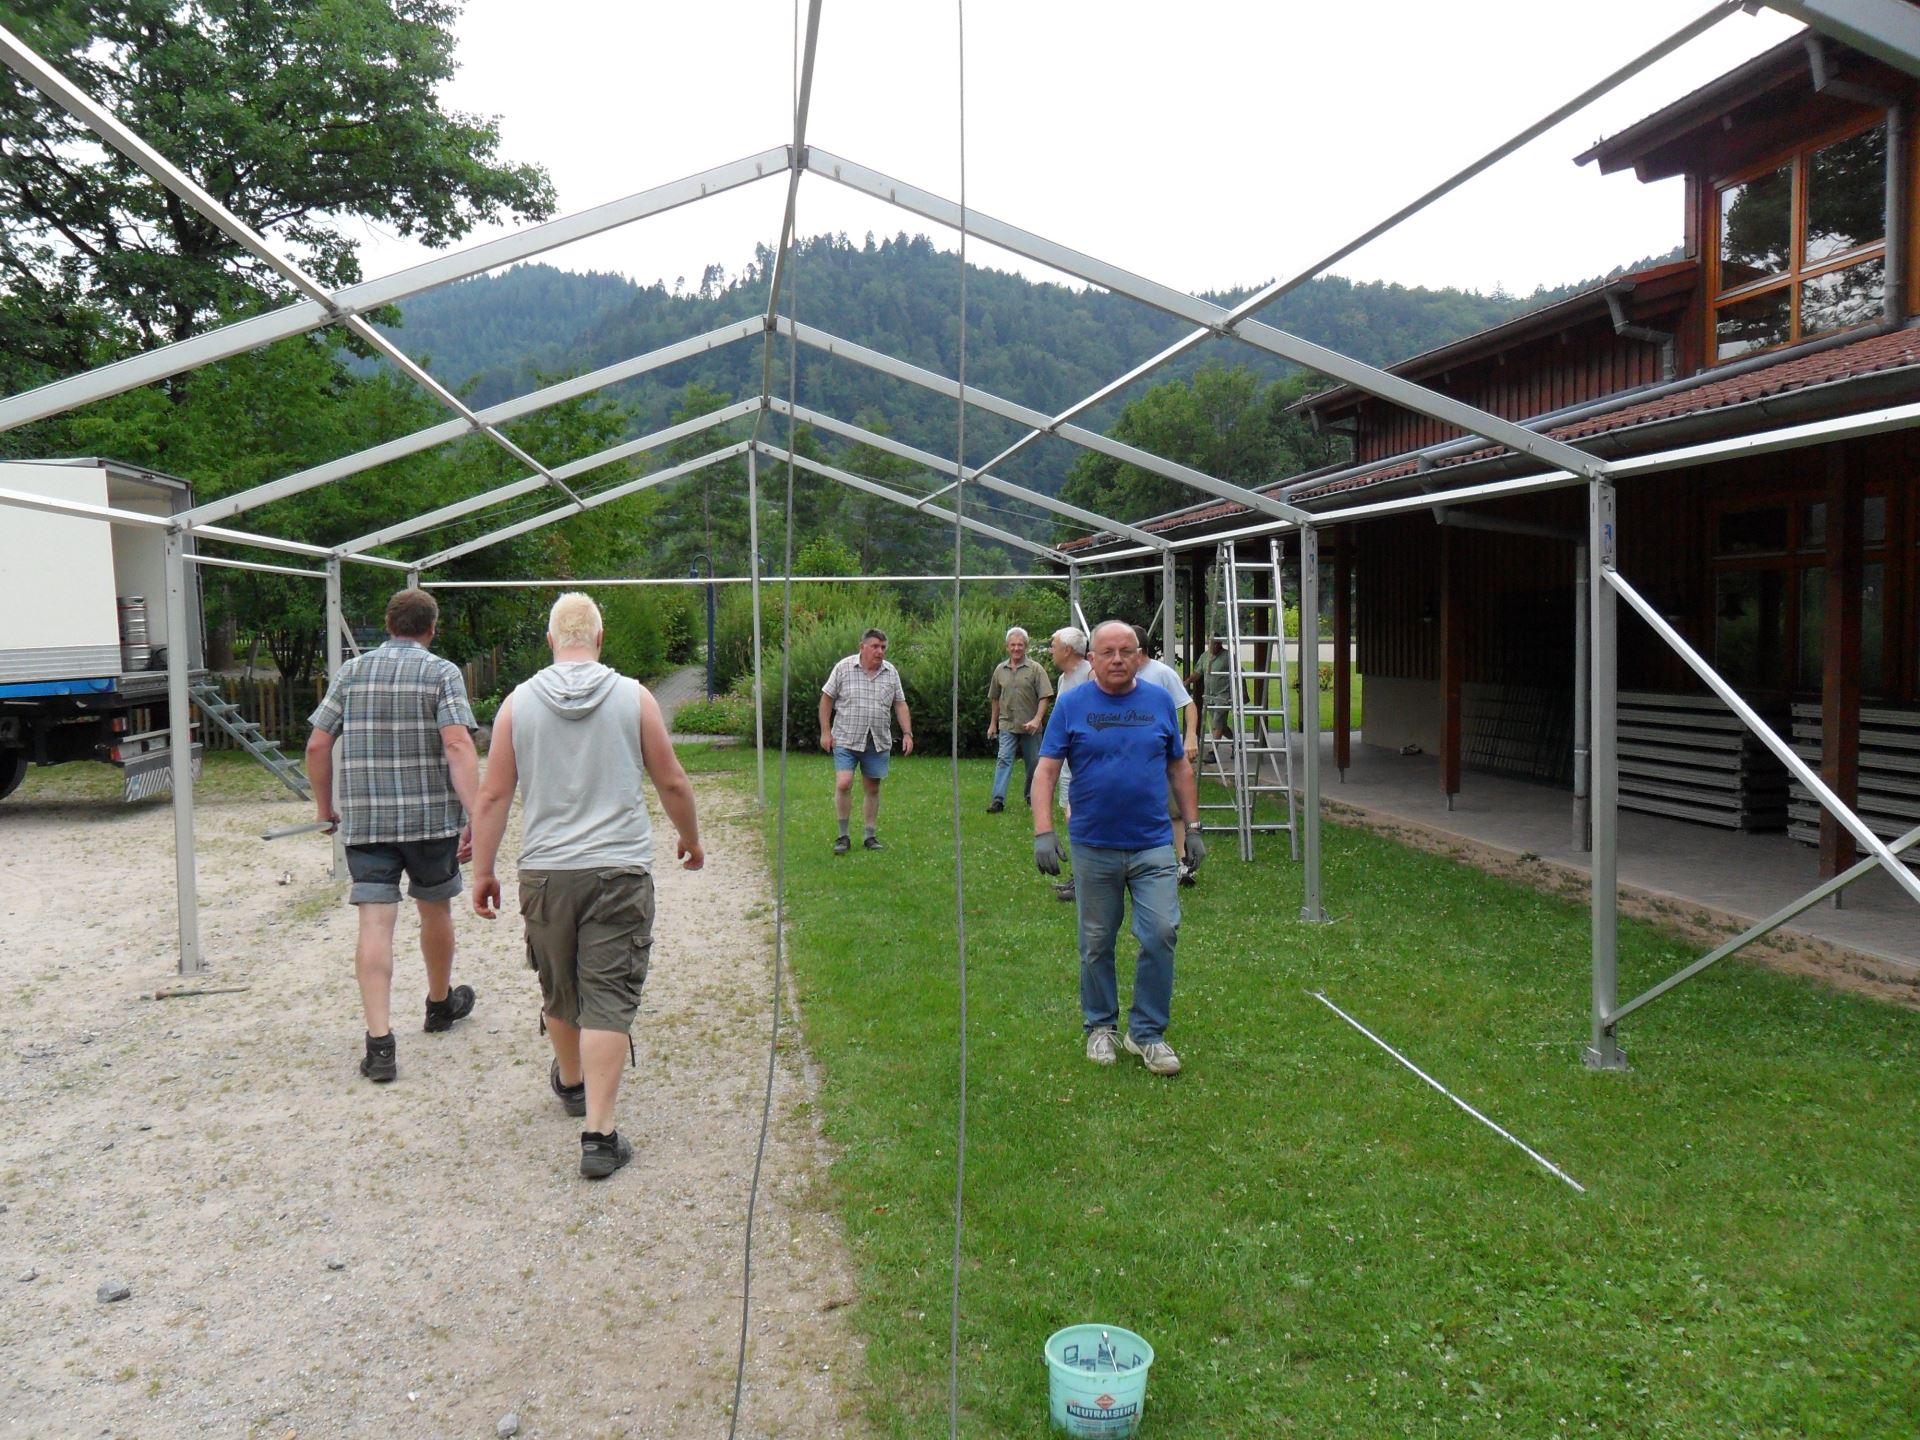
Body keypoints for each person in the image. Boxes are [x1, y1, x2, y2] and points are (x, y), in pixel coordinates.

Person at [468, 593, 704, 1180]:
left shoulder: (517, 704)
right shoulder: (634, 697)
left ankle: (572, 1082)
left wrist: (483, 869)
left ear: (551, 641)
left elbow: (493, 794)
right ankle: (599, 1136)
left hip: (546, 872)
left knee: (559, 985)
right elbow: (672, 780)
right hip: (619, 869)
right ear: (599, 639)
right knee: (608, 994)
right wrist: (689, 837)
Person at [306, 587, 481, 1085]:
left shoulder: (351, 672)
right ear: (432, 628)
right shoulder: (441, 673)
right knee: (435, 910)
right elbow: (457, 743)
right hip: (431, 822)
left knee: (375, 925)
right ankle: (439, 1004)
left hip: (368, 824)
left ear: (388, 624)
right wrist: (476, 813)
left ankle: (380, 1043)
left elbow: (318, 744)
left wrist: (325, 808)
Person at [1032, 620, 1205, 1077]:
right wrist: (1043, 831)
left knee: (1162, 932)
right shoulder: (1071, 705)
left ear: (1139, 657)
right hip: (1094, 845)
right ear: (1091, 658)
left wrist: (1193, 827)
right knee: (1096, 941)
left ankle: (1146, 1032)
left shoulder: (1158, 702)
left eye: (1126, 651)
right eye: (1107, 652)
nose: (1116, 660)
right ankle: (1100, 1026)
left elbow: (1179, 768)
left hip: (1153, 844)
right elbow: (1046, 771)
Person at [819, 628, 914, 854]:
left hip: (877, 740)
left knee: (872, 787)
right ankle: (843, 836)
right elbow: (826, 699)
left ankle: (870, 836)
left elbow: (900, 704)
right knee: (844, 783)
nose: (880, 651)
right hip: (846, 738)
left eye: (883, 647)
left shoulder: (891, 672)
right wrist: (825, 732)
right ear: (862, 647)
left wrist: (907, 733)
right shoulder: (843, 668)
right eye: (875, 646)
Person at [1131, 625, 1203, 885]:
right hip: (1133, 756)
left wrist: (1191, 737)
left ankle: (1185, 864)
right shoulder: (1121, 676)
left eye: (1126, 649)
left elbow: (1188, 705)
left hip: (1162, 752)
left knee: (1174, 809)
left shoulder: (1162, 673)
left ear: (1139, 651)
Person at [985, 625, 1053, 814]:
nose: (1016, 648)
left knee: (1033, 764)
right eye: (1013, 645)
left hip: (1030, 726)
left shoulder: (1036, 669)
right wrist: (993, 724)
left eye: (1020, 645)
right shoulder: (1000, 670)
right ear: (1007, 646)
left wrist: (1037, 720)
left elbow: (1045, 697)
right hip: (1007, 724)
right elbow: (995, 698)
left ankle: (1031, 796)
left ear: (1026, 646)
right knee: (1003, 759)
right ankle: (997, 800)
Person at [1046, 626, 1092, 902]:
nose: (1050, 650)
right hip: (1067, 763)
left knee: (1081, 819)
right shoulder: (1064, 678)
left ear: (1067, 649)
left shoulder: (1090, 675)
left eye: (1053, 645)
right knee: (1070, 815)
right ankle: (1079, 876)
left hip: (1084, 764)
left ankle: (1086, 880)